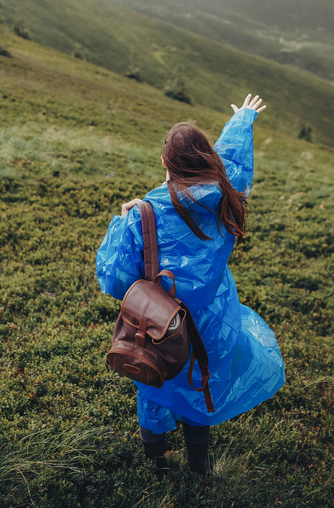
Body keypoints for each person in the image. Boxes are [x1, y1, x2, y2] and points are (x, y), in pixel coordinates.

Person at [96, 94, 286, 478]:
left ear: (165, 163)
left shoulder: (145, 214)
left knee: (155, 387)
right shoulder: (228, 197)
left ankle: (158, 467)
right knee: (198, 385)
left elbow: (115, 281)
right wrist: (242, 120)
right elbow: (233, 162)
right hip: (212, 321)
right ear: (206, 160)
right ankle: (200, 466)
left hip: (157, 326)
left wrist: (122, 222)